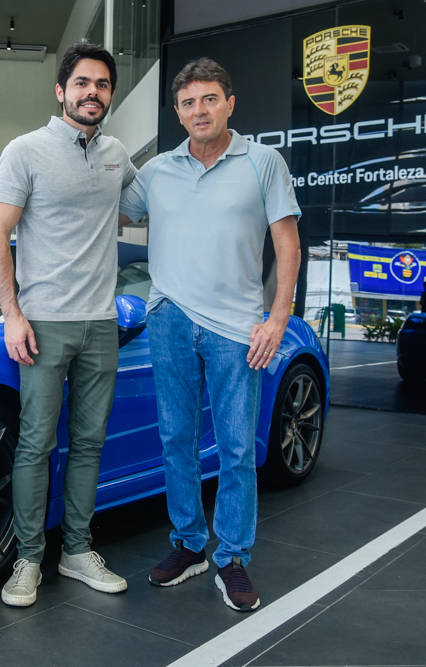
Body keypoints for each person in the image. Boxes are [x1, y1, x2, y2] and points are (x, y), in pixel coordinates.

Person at [118, 58, 301, 612]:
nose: (200, 110)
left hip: (236, 327)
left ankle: (232, 557)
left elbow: (288, 246)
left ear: (230, 103)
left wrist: (278, 318)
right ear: (177, 112)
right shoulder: (155, 172)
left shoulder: (264, 162)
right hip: (169, 317)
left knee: (237, 447)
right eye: (189, 102)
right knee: (175, 439)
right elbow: (103, 208)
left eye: (210, 99)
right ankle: (190, 544)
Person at [0, 42, 137, 607]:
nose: (91, 92)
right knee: (36, 445)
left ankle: (76, 550)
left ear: (110, 95)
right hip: (43, 323)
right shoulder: (25, 151)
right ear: (61, 90)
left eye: (101, 84)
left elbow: (145, 204)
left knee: (90, 443)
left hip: (101, 322)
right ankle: (28, 560)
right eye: (81, 83)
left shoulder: (118, 154)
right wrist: (12, 314)